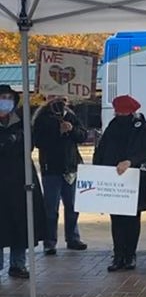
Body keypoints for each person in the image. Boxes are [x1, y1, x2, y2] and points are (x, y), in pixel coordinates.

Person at [92, 94, 146, 272]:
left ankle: (129, 255)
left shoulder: (142, 127)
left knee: (131, 219)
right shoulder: (112, 127)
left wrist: (130, 161)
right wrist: (98, 171)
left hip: (132, 180)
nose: (117, 113)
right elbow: (101, 150)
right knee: (116, 220)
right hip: (113, 180)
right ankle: (119, 255)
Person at [0, 85, 46, 279]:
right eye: (2, 97)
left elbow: (30, 144)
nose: (5, 101)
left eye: (9, 97)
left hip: (20, 179)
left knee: (21, 223)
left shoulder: (22, 122)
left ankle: (18, 264)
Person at [32, 96, 88, 254]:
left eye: (63, 100)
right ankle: (50, 242)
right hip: (51, 168)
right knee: (51, 208)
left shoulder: (71, 115)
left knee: (72, 206)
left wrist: (72, 130)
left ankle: (73, 238)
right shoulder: (42, 118)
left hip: (70, 167)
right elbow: (38, 142)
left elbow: (82, 136)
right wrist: (57, 131)